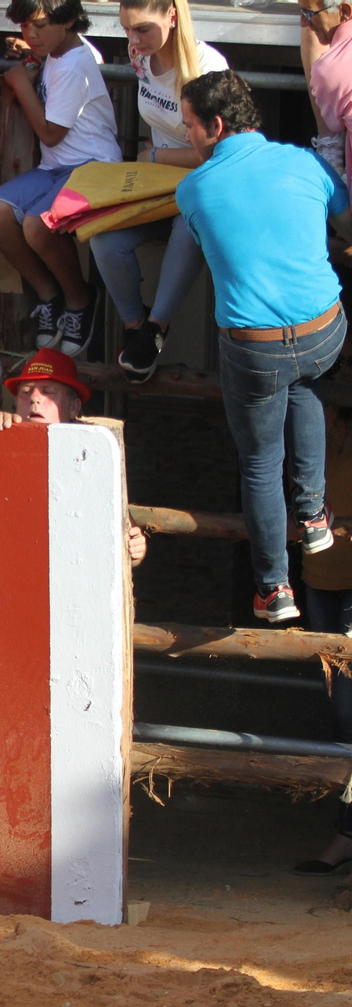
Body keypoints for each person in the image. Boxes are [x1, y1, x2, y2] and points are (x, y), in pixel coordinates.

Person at [177, 69, 351, 622]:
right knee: (303, 382)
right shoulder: (307, 162)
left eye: (189, 125)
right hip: (326, 331)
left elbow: (211, 245)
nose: (185, 135)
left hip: (256, 351)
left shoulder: (193, 189)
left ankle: (275, 587)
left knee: (259, 462)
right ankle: (314, 514)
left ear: (215, 126)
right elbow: (345, 217)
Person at [89, 0, 226, 383]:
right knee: (103, 239)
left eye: (142, 29)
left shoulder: (207, 67)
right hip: (157, 184)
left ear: (172, 16)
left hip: (199, 186)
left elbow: (220, 151)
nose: (133, 40)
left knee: (187, 227)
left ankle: (157, 327)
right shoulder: (140, 57)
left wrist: (158, 156)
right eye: (126, 29)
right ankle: (136, 326)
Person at [0, 0, 119, 358]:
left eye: (39, 26)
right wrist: (34, 56)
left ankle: (79, 298)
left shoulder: (74, 64)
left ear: (68, 20)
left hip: (93, 166)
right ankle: (49, 294)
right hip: (55, 168)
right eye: (25, 26)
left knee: (37, 225)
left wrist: (19, 83)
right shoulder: (63, 49)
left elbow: (50, 133)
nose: (31, 34)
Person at [0, 349, 148, 565]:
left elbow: (121, 533)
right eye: (26, 391)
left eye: (48, 391)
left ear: (74, 407)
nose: (34, 398)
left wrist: (135, 550)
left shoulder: (93, 453)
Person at [296, 402, 352, 877]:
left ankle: (346, 836)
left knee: (349, 713)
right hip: (320, 575)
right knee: (341, 712)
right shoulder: (316, 407)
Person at [301, 0, 352, 181]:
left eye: (309, 14)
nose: (303, 22)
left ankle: (330, 143)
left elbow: (335, 124)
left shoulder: (328, 71)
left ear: (345, 11)